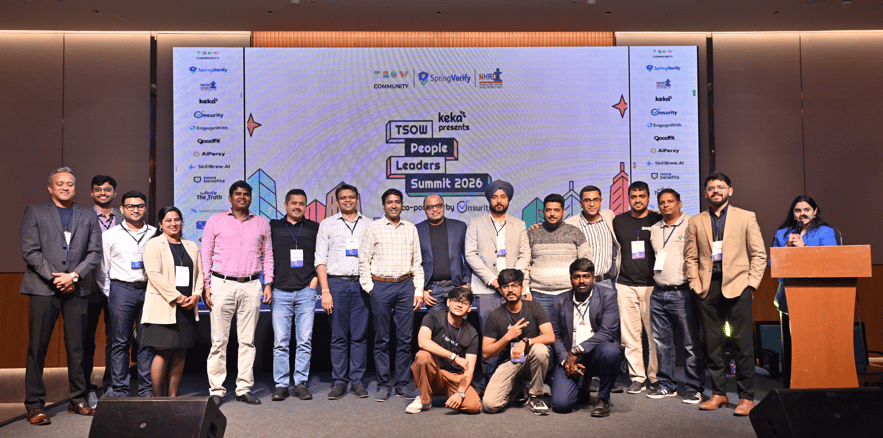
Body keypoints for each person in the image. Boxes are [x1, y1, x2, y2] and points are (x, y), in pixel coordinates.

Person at [20, 167, 101, 424]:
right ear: (50, 188)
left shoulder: (88, 214)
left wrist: (73, 276)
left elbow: (95, 253)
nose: (65, 187)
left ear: (75, 188)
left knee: (78, 347)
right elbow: (30, 251)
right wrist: (56, 277)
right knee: (38, 347)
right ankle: (34, 405)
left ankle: (77, 399)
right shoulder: (35, 211)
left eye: (69, 184)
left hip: (77, 288)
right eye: (60, 184)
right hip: (43, 288)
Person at [685, 172, 766, 416]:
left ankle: (746, 398)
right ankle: (719, 394)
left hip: (738, 287)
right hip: (707, 289)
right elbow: (690, 257)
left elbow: (759, 254)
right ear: (705, 193)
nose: (716, 191)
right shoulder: (696, 221)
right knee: (712, 345)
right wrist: (695, 284)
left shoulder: (746, 216)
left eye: (721, 187)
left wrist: (751, 285)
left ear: (730, 190)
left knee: (742, 345)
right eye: (711, 188)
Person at [202, 181, 274, 406]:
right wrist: (206, 285)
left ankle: (244, 388)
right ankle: (216, 389)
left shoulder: (261, 223)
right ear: (230, 198)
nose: (242, 197)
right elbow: (206, 254)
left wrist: (268, 283)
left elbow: (268, 255)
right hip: (221, 283)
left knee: (247, 341)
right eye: (238, 194)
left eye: (246, 194)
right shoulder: (216, 221)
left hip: (251, 285)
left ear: (251, 197)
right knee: (218, 341)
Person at [359, 188, 424, 401]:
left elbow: (417, 263)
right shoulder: (372, 228)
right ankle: (384, 384)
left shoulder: (411, 228)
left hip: (405, 286)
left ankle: (403, 384)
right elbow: (363, 261)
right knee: (382, 339)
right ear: (383, 205)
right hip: (381, 286)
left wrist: (418, 290)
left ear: (402, 204)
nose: (393, 205)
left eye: (397, 202)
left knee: (405, 339)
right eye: (389, 202)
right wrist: (370, 288)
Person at [465, 180, 531, 387]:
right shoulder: (475, 223)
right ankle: (490, 382)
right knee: (490, 336)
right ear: (489, 200)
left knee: (516, 334)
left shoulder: (519, 225)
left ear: (508, 199)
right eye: (494, 197)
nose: (499, 201)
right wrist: (493, 280)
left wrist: (513, 282)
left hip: (514, 289)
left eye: (503, 197)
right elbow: (470, 254)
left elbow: (525, 255)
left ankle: (516, 382)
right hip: (486, 289)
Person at [771, 195, 837, 387]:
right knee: (791, 343)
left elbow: (832, 260)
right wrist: (787, 248)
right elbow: (772, 264)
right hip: (788, 295)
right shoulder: (783, 234)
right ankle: (791, 383)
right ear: (793, 213)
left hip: (819, 294)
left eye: (806, 210)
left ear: (815, 212)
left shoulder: (825, 232)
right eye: (798, 210)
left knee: (816, 343)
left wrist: (804, 247)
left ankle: (819, 381)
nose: (802, 214)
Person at [96, 191, 156, 398]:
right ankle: (120, 389)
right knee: (120, 342)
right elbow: (102, 268)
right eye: (130, 206)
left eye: (139, 206)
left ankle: (146, 389)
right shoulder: (109, 235)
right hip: (121, 290)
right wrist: (111, 293)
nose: (135, 210)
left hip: (149, 290)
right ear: (122, 209)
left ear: (145, 208)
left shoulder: (155, 233)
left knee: (146, 342)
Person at [316, 184, 373, 400]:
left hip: (361, 285)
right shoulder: (327, 224)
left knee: (359, 336)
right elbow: (320, 259)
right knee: (338, 336)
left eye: (351, 197)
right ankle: (339, 381)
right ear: (337, 201)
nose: (347, 200)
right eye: (343, 198)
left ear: (357, 199)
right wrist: (325, 290)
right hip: (336, 284)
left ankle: (357, 380)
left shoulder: (369, 224)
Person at [647, 189, 704, 403]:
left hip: (683, 292)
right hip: (658, 292)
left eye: (670, 201)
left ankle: (694, 387)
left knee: (690, 343)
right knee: (662, 343)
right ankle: (666, 385)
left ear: (680, 203)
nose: (666, 205)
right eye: (662, 202)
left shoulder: (692, 224)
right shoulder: (654, 228)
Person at [549, 258, 623, 417]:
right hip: (570, 358)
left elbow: (608, 332)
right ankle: (581, 386)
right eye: (577, 277)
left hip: (596, 354)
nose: (581, 281)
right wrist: (565, 361)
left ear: (593, 278)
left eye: (586, 276)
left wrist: (577, 350)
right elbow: (556, 335)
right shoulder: (559, 301)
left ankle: (603, 398)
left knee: (611, 351)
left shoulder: (608, 296)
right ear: (571, 279)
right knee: (561, 405)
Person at [141, 207, 202, 397]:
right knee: (163, 352)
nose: (173, 224)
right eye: (168, 220)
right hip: (165, 305)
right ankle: (158, 399)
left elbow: (199, 274)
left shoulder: (191, 245)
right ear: (160, 224)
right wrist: (179, 297)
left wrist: (196, 295)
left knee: (180, 352)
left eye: (177, 219)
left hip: (187, 307)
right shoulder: (154, 244)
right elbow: (154, 275)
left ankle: (173, 397)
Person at [269, 189, 320, 401]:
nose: (297, 207)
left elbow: (323, 254)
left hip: (306, 291)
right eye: (294, 203)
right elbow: (265, 255)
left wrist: (315, 278)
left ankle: (300, 383)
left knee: (304, 341)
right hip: (280, 291)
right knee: (281, 341)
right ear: (286, 205)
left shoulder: (314, 228)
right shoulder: (273, 227)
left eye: (301, 203)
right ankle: (281, 384)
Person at [481, 269, 554, 415]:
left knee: (540, 349)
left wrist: (525, 342)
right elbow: (486, 353)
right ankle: (517, 388)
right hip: (509, 362)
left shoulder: (535, 308)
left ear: (522, 288)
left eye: (514, 285)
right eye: (505, 286)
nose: (510, 290)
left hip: (530, 360)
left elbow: (550, 337)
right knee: (490, 405)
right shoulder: (495, 316)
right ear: (500, 290)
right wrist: (507, 337)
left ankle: (535, 396)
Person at [612, 181, 662, 394]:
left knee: (654, 337)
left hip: (652, 285)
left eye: (642, 196)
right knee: (630, 336)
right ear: (628, 198)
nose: (638, 200)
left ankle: (655, 377)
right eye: (633, 196)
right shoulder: (618, 221)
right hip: (626, 285)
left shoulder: (658, 219)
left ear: (649, 198)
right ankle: (637, 378)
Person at [407, 286, 481, 415]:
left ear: (469, 308)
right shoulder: (432, 317)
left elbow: (469, 369)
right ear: (448, 302)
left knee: (473, 406)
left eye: (464, 303)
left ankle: (448, 393)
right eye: (456, 301)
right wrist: (454, 357)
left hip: (454, 377)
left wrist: (460, 393)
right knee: (423, 356)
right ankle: (424, 399)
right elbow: (423, 342)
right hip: (434, 372)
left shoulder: (472, 333)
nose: (459, 305)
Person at [83, 175, 120, 407]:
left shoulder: (125, 217)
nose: (103, 193)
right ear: (92, 193)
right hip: (88, 285)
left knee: (115, 339)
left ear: (114, 193)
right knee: (86, 339)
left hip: (118, 285)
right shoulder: (82, 216)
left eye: (107, 189)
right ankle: (86, 387)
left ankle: (111, 385)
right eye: (98, 189)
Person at [527, 193, 591, 325]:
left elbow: (586, 262)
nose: (552, 214)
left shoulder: (575, 232)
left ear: (563, 212)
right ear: (543, 212)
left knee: (571, 332)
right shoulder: (532, 233)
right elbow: (524, 264)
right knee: (543, 333)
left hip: (570, 294)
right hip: (539, 295)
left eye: (556, 210)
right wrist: (526, 291)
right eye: (548, 210)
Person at [416, 194, 471, 314]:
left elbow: (469, 256)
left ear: (444, 207)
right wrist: (421, 289)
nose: (435, 209)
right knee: (437, 324)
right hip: (432, 291)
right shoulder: (417, 230)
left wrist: (466, 284)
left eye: (438, 205)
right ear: (424, 210)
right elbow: (414, 263)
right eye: (430, 207)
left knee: (458, 324)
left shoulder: (459, 227)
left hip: (457, 287)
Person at [564, 185, 620, 289]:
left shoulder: (609, 216)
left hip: (607, 282)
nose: (592, 204)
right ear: (581, 203)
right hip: (581, 283)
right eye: (587, 200)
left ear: (601, 202)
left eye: (595, 200)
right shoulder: (570, 224)